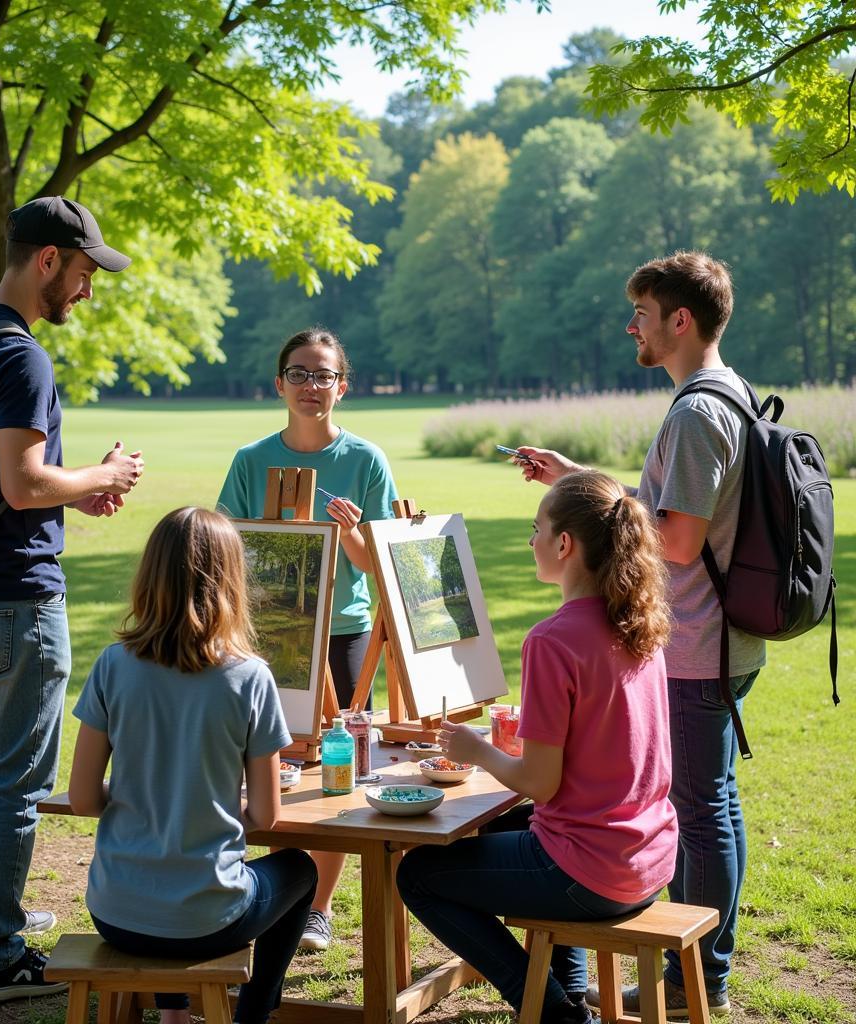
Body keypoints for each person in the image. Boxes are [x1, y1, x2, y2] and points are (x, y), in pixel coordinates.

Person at [517, 251, 765, 1017]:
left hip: (697, 640)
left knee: (702, 809)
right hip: (723, 638)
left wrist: (599, 511)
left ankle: (697, 981)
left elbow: (679, 541)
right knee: (711, 804)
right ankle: (698, 974)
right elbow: (668, 511)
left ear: (679, 321)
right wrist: (583, 479)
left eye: (644, 315)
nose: (634, 327)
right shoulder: (730, 393)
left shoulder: (696, 410)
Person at [0, 196, 145, 1003]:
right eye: (86, 273)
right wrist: (102, 476)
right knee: (21, 781)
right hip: (17, 600)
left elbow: (4, 482)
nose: (88, 291)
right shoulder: (22, 356)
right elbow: (24, 482)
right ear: (49, 261)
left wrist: (72, 495)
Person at [396, 471, 677, 1024]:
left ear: (565, 544)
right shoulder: (640, 625)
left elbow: (540, 783)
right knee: (500, 829)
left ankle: (555, 1013)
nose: (531, 543)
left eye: (536, 530)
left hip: (591, 871)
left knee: (418, 876)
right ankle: (569, 990)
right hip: (648, 857)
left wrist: (475, 749)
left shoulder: (551, 639)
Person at [68, 507, 317, 1024]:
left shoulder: (113, 665)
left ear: (149, 575)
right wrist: (208, 810)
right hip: (209, 919)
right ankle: (253, 1016)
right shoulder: (249, 677)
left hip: (114, 912)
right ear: (232, 581)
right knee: (302, 869)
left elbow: (83, 798)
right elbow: (267, 817)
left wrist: (151, 796)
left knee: (174, 892)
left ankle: (174, 1013)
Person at [217, 325, 398, 951]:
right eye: (299, 373)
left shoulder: (366, 460)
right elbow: (227, 550)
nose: (311, 386)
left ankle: (316, 908)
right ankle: (258, 893)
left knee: (333, 774)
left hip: (345, 634)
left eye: (323, 376)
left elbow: (379, 565)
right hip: (268, 637)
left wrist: (348, 538)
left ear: (341, 388)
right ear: (279, 383)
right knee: (269, 767)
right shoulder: (250, 460)